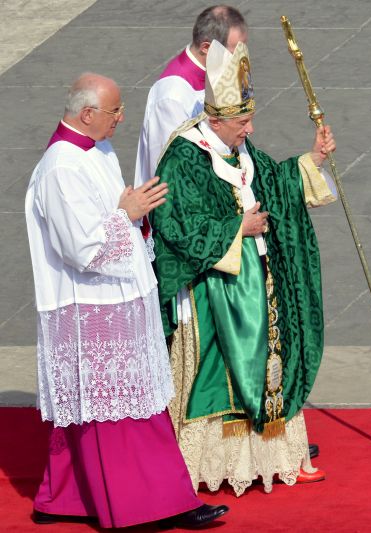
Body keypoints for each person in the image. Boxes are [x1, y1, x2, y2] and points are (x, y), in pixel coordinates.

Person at [24, 73, 228, 528]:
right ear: (87, 114)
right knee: (124, 413)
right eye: (115, 111)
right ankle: (156, 504)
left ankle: (63, 497)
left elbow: (114, 209)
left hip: (118, 298)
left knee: (98, 407)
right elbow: (80, 247)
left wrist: (132, 210)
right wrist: (128, 214)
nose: (122, 118)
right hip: (91, 306)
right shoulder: (61, 166)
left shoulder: (97, 148)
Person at [150, 40, 336, 496]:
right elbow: (175, 223)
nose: (250, 130)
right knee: (223, 372)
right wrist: (239, 227)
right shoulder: (185, 157)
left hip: (258, 280)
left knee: (276, 357)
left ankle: (280, 457)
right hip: (214, 289)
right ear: (214, 120)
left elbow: (272, 179)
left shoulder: (237, 146)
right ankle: (207, 465)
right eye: (242, 122)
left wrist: (311, 161)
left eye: (250, 119)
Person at [135, 5, 248, 189]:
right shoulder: (172, 95)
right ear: (207, 48)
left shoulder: (219, 72)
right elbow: (171, 166)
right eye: (235, 50)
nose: (241, 58)